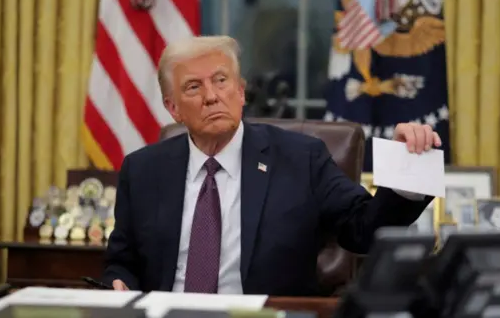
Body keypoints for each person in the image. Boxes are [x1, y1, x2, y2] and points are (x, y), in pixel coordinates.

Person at [103, 35, 442, 296]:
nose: (211, 96)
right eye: (194, 87)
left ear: (240, 92)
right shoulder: (143, 171)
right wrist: (119, 283)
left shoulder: (300, 158)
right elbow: (122, 262)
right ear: (173, 108)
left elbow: (364, 230)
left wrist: (406, 170)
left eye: (221, 81)